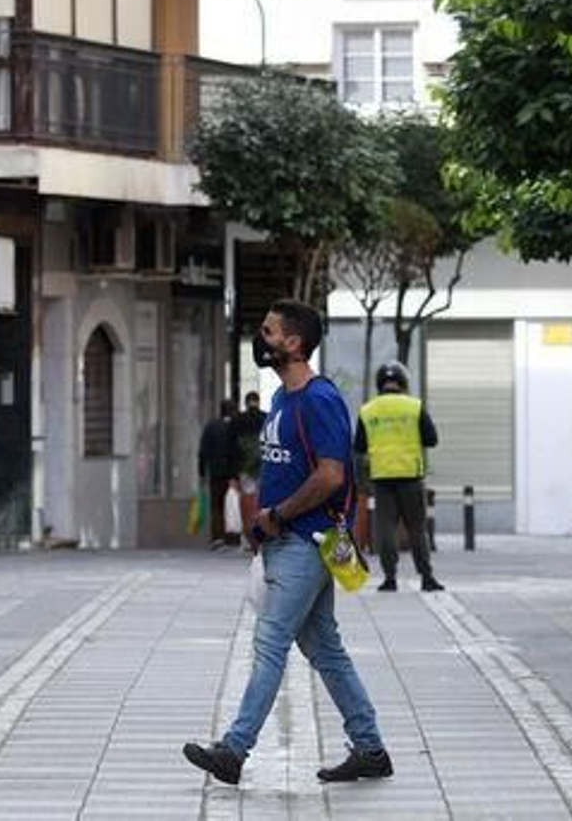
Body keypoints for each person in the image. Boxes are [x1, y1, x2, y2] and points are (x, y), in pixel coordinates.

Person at [183, 299, 391, 786]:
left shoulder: (319, 400)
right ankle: (370, 748)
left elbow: (331, 475)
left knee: (270, 639)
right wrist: (263, 526)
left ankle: (235, 749)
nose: (262, 339)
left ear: (294, 344)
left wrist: (278, 516)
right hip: (283, 540)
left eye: (269, 332)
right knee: (325, 650)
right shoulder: (280, 399)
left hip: (306, 540)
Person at [356, 362, 443, 593]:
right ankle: (426, 578)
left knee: (385, 529)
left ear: (379, 383)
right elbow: (432, 439)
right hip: (410, 476)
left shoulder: (367, 410)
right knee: (416, 528)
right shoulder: (415, 406)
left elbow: (359, 446)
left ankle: (389, 579)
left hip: (381, 477)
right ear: (403, 383)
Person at [198, 399, 242, 547]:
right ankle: (234, 537)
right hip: (234, 473)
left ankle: (218, 537)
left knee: (217, 506)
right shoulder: (237, 426)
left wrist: (202, 471)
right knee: (235, 504)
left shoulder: (211, 427)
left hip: (216, 472)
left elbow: (203, 451)